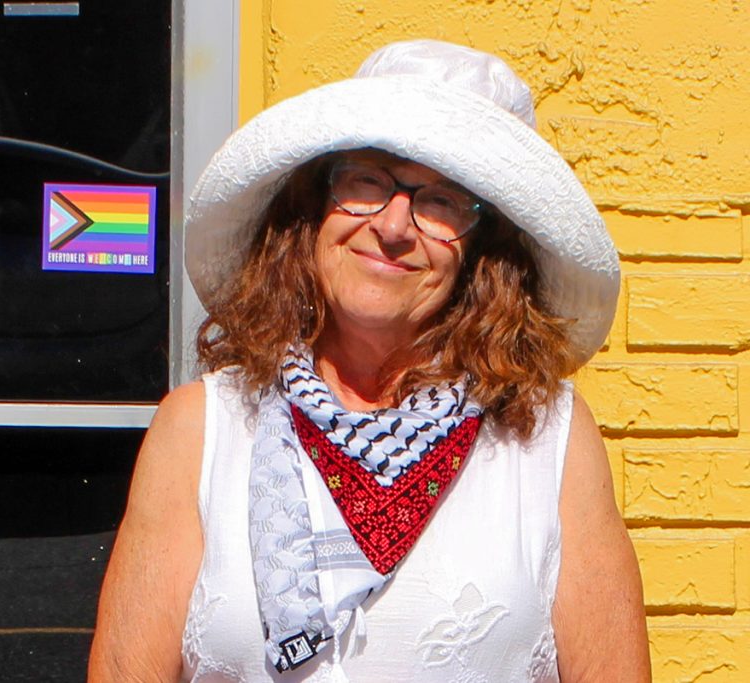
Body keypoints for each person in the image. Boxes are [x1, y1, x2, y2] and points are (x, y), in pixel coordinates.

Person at [89, 40, 651, 682]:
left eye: (441, 202)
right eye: (367, 182)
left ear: (485, 253)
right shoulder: (200, 428)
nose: (393, 226)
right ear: (313, 207)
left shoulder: (547, 438)